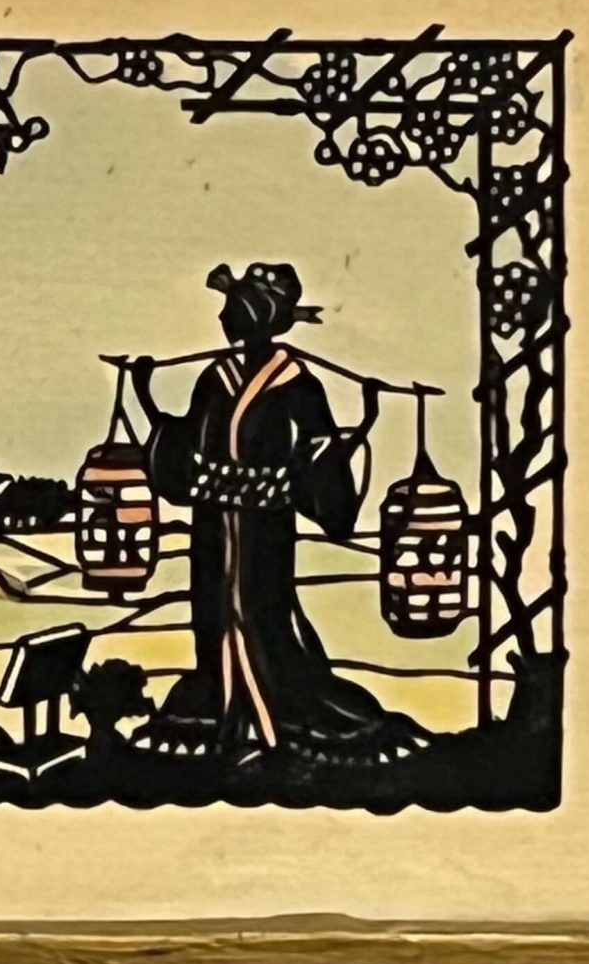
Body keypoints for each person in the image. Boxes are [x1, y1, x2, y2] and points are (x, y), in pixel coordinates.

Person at [128, 262, 430, 767]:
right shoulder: (214, 378)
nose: (222, 319)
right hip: (212, 522)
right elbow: (185, 443)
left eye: (232, 309)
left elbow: (320, 453)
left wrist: (361, 426)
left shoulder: (297, 384)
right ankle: (227, 714)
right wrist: (143, 396)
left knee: (265, 612)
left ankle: (267, 724)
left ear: (255, 316)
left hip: (265, 523)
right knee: (213, 612)